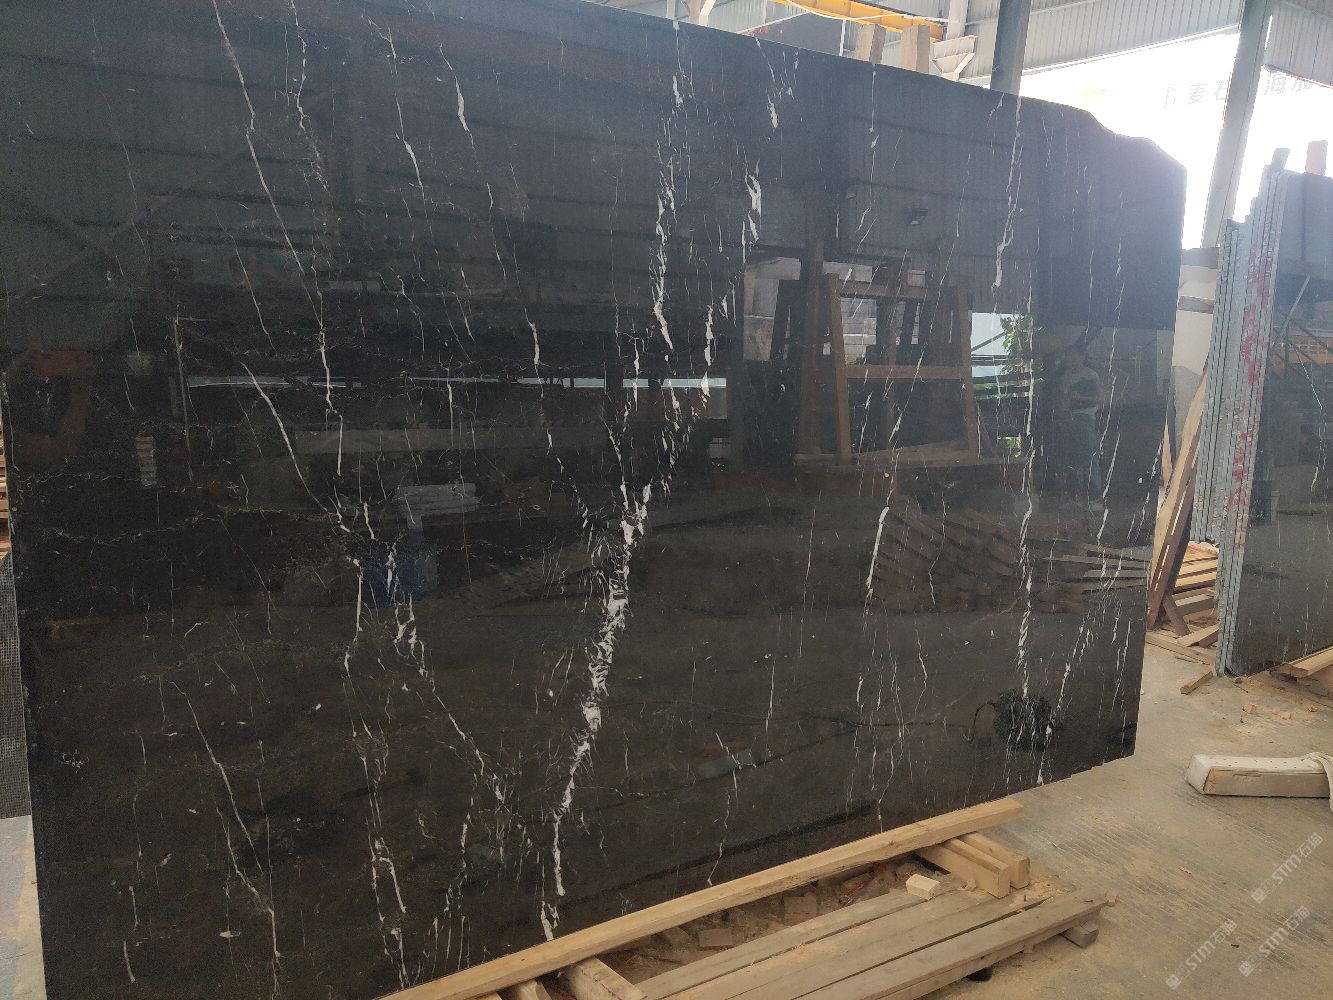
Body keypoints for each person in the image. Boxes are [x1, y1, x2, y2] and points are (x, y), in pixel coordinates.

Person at [1058, 345, 1105, 507]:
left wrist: (1080, 398)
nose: (1070, 359)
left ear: (1081, 356)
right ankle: (1075, 497)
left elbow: (1100, 399)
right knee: (1071, 458)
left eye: (1073, 355)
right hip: (1069, 419)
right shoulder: (1065, 377)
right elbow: (1063, 400)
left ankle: (1094, 498)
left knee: (1088, 457)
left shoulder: (1091, 375)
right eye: (1067, 356)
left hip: (1085, 418)